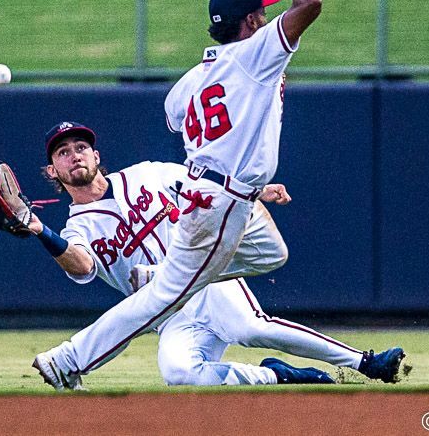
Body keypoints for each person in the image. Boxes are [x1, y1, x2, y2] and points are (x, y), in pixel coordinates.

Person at [30, 0, 404, 388]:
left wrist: (249, 178)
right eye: (261, 13)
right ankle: (67, 359)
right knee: (162, 300)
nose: (267, 18)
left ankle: (170, 282)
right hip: (218, 201)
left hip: (222, 194)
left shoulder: (189, 82)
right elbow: (311, 1)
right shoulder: (257, 52)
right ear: (250, 21)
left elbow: (177, 119)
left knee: (270, 258)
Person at [29, 121, 403, 388]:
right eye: (63, 152)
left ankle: (365, 362)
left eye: (81, 147)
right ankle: (278, 375)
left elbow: (208, 189)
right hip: (171, 314)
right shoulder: (76, 228)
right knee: (179, 373)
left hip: (207, 281)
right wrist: (39, 231)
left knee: (251, 327)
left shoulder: (147, 174)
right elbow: (83, 266)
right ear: (52, 170)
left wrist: (255, 193)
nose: (74, 155)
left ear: (96, 154)